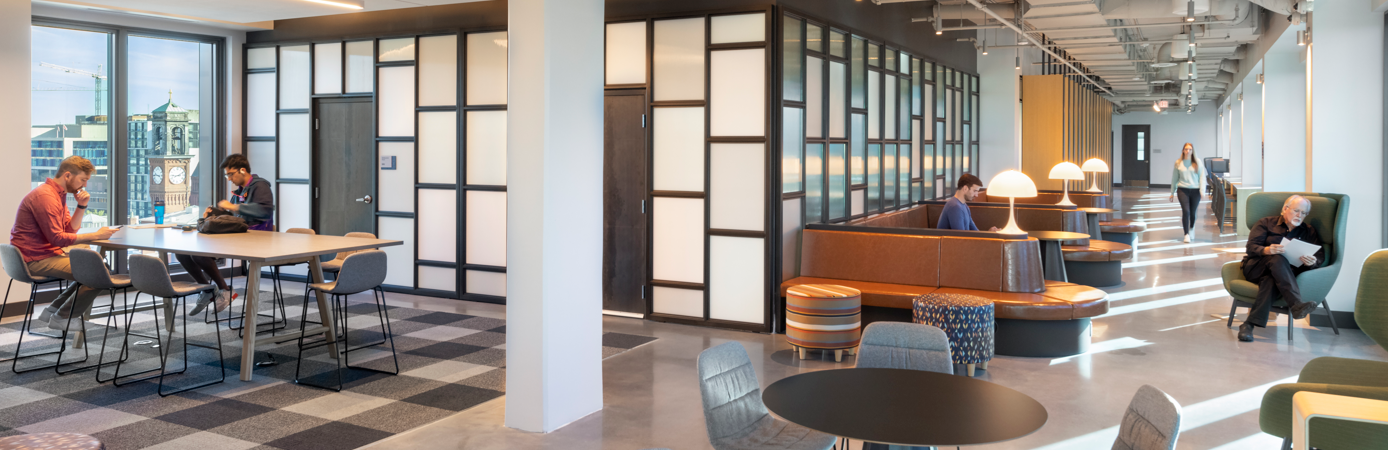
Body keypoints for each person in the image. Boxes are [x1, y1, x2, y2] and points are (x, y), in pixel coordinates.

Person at [11, 156, 119, 331]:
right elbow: (58, 239)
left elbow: (69, 231)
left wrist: (81, 206)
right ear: (68, 175)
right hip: (34, 259)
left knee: (92, 264)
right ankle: (63, 317)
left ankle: (52, 311)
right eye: (83, 180)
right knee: (97, 274)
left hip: (42, 253)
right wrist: (95, 235)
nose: (84, 185)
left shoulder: (57, 194)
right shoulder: (46, 197)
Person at [179, 153, 276, 315]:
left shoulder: (260, 186)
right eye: (227, 175)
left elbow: (265, 211)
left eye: (230, 174)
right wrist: (214, 215)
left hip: (258, 238)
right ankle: (208, 289)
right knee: (182, 252)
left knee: (199, 254)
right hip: (238, 235)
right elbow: (233, 219)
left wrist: (234, 207)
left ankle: (224, 290)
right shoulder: (239, 192)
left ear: (242, 170)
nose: (229, 178)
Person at [1236, 195, 1325, 342]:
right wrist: (1266, 250)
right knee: (1277, 258)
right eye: (1296, 210)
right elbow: (1250, 248)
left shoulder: (1308, 231)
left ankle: (1248, 325)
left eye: (1304, 213)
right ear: (1285, 209)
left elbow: (1319, 256)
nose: (1299, 215)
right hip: (1256, 268)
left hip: (1283, 274)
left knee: (1271, 280)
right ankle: (1296, 304)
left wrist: (1313, 262)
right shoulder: (1265, 223)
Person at [1168, 143, 1203, 243]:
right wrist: (1172, 192)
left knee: (1192, 212)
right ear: (1183, 150)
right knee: (1186, 211)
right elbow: (1174, 178)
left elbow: (1202, 177)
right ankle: (1186, 234)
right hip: (1182, 189)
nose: (1188, 151)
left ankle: (1192, 228)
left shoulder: (1197, 162)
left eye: (1190, 149)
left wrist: (1202, 190)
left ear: (1192, 151)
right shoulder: (1178, 163)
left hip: (1195, 190)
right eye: (1186, 149)